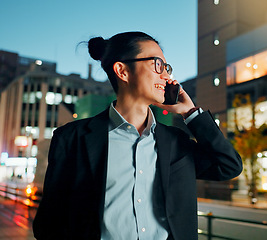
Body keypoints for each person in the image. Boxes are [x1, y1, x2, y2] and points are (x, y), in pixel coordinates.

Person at [33, 31, 243, 240]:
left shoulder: (176, 142)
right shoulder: (72, 139)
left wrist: (191, 114)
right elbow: (49, 224)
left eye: (167, 68)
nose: (167, 77)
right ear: (122, 71)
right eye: (157, 65)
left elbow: (229, 166)